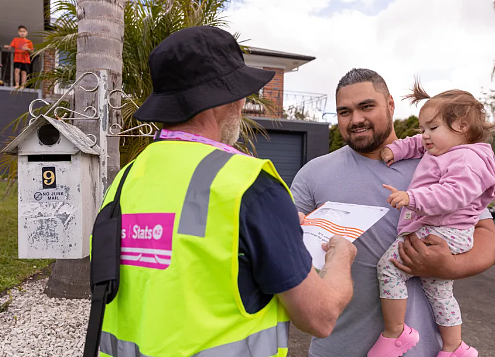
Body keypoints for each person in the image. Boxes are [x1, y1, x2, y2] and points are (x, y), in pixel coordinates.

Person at [92, 26, 356, 357]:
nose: (242, 104)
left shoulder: (125, 179)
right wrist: (342, 255)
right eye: (241, 94)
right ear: (223, 101)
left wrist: (280, 232)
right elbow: (320, 316)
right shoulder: (248, 184)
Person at [291, 68, 495, 357]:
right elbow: (286, 244)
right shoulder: (313, 173)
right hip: (338, 348)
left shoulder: (440, 160)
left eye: (366, 106)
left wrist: (449, 267)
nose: (356, 119)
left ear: (389, 104)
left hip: (425, 350)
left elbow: (487, 232)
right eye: (344, 111)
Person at [368, 82, 495, 357]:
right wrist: (398, 150)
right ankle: (454, 347)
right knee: (439, 290)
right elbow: (416, 144)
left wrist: (411, 198)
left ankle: (396, 334)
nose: (424, 136)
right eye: (422, 128)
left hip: (444, 229)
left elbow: (453, 195)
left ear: (461, 126)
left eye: (432, 128)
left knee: (389, 268)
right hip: (447, 230)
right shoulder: (442, 147)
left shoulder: (466, 160)